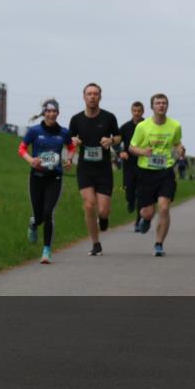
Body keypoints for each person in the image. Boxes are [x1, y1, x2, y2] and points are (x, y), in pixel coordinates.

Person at [19, 99, 75, 264]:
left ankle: (46, 251)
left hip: (55, 177)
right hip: (36, 177)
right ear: (44, 113)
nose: (51, 114)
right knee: (39, 216)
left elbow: (71, 147)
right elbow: (21, 148)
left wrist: (70, 160)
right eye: (48, 111)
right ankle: (34, 223)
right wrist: (30, 160)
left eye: (54, 111)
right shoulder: (34, 131)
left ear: (58, 113)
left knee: (48, 213)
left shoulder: (63, 132)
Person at [69, 83, 121, 256]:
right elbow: (70, 139)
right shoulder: (76, 119)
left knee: (103, 210)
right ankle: (95, 243)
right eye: (89, 94)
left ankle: (104, 218)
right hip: (85, 169)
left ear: (100, 97)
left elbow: (119, 136)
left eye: (95, 94)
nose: (92, 96)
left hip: (104, 170)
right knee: (89, 204)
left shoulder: (109, 118)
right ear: (84, 97)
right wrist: (73, 142)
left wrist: (111, 141)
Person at [129, 93, 184, 257]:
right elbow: (132, 148)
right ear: (152, 106)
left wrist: (180, 150)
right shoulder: (142, 127)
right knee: (147, 212)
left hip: (166, 171)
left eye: (164, 103)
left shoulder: (175, 126)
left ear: (167, 106)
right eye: (158, 103)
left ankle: (159, 244)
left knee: (164, 207)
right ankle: (145, 220)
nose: (161, 106)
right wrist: (143, 152)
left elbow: (177, 143)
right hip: (146, 172)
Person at [118, 101, 145, 231]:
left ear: (143, 112)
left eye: (139, 111)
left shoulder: (148, 126)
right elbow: (116, 141)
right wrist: (120, 152)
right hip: (129, 164)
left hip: (143, 164)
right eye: (135, 111)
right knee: (130, 191)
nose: (137, 113)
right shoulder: (125, 127)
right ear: (131, 111)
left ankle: (138, 221)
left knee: (141, 193)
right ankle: (130, 201)